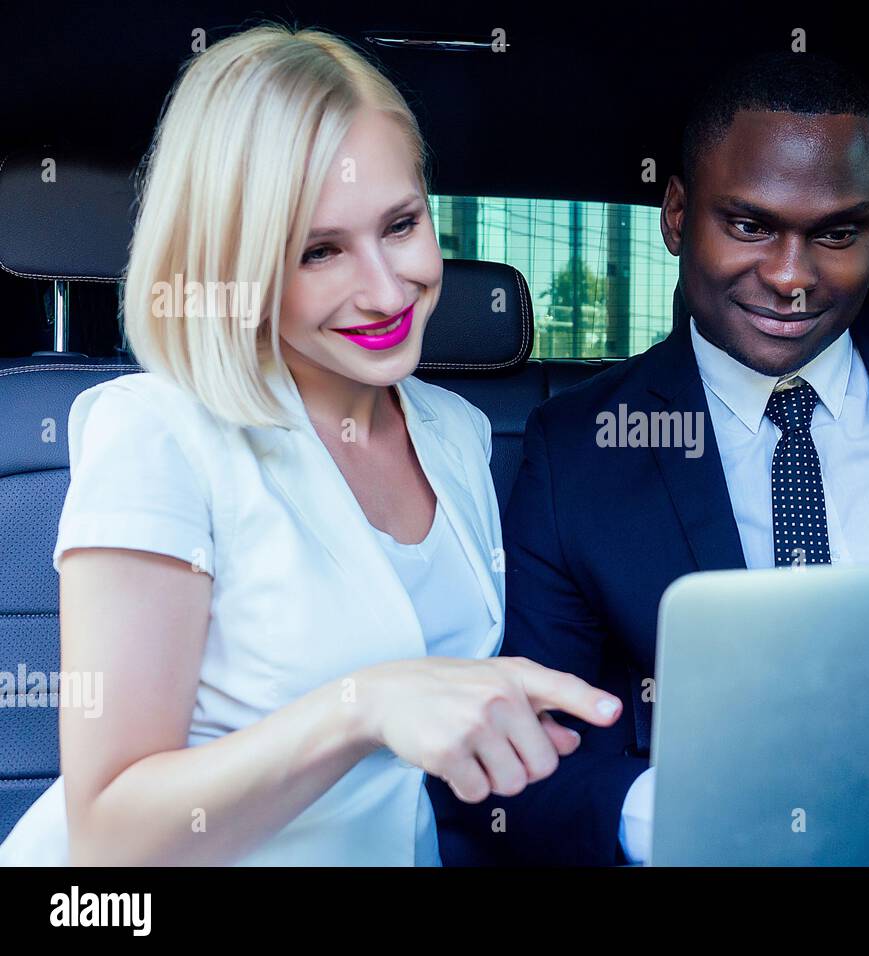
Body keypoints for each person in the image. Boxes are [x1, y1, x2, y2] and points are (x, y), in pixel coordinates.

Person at [431, 51, 869, 865]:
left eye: (837, 233)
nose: (792, 279)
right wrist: (679, 815)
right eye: (749, 225)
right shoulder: (576, 452)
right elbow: (530, 750)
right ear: (675, 216)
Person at [0, 24, 621, 867]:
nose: (384, 287)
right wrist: (361, 706)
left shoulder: (455, 434)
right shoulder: (160, 436)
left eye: (401, 225)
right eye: (319, 251)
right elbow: (108, 834)